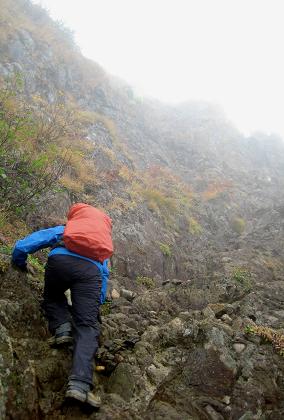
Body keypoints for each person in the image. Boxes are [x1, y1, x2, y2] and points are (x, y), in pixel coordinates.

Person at [11, 204, 111, 408]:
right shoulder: (100, 246)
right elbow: (104, 275)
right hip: (90, 273)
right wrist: (96, 303)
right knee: (87, 326)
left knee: (53, 296)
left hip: (59, 262)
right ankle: (79, 385)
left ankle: (62, 328)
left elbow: (26, 245)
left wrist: (18, 262)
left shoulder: (67, 230)